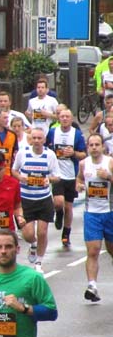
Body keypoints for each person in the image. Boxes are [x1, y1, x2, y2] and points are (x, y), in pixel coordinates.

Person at [0, 230, 58, 337]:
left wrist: (23, 308)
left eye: (8, 246)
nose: (3, 251)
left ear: (17, 249)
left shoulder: (32, 277)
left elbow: (52, 312)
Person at [11, 128, 61, 273]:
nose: (37, 141)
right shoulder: (23, 153)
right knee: (27, 234)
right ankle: (33, 245)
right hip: (26, 199)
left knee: (42, 232)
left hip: (43, 198)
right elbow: (14, 170)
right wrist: (20, 178)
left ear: (44, 140)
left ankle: (39, 262)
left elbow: (57, 176)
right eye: (34, 138)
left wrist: (48, 180)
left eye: (40, 138)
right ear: (30, 139)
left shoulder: (49, 155)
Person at [76, 133, 113, 302]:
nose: (94, 148)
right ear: (88, 147)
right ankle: (92, 286)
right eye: (91, 145)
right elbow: (79, 179)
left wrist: (109, 177)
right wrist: (79, 185)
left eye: (97, 144)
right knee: (93, 250)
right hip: (91, 213)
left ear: (102, 147)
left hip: (110, 212)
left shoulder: (110, 162)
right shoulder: (84, 164)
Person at [46, 107, 86, 247]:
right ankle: (58, 213)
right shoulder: (52, 132)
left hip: (71, 175)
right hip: (57, 174)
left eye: (67, 116)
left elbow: (83, 154)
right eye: (61, 116)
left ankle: (66, 234)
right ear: (58, 118)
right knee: (58, 202)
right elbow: (46, 149)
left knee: (69, 207)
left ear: (71, 119)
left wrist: (73, 153)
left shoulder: (77, 134)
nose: (64, 119)